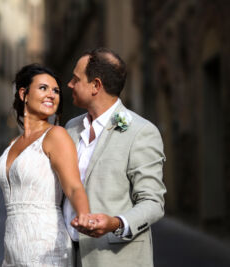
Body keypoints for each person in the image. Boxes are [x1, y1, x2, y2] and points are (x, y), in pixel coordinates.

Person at [63, 47, 166, 267]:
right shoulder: (70, 128)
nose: (70, 84)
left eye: (76, 79)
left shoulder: (140, 132)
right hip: (66, 256)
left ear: (96, 86)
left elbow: (153, 202)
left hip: (114, 258)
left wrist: (116, 223)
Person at [0, 64, 93, 266]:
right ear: (24, 94)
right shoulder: (13, 143)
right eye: (43, 88)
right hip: (12, 246)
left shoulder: (56, 135)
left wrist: (84, 215)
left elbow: (73, 186)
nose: (51, 95)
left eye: (56, 90)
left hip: (47, 246)